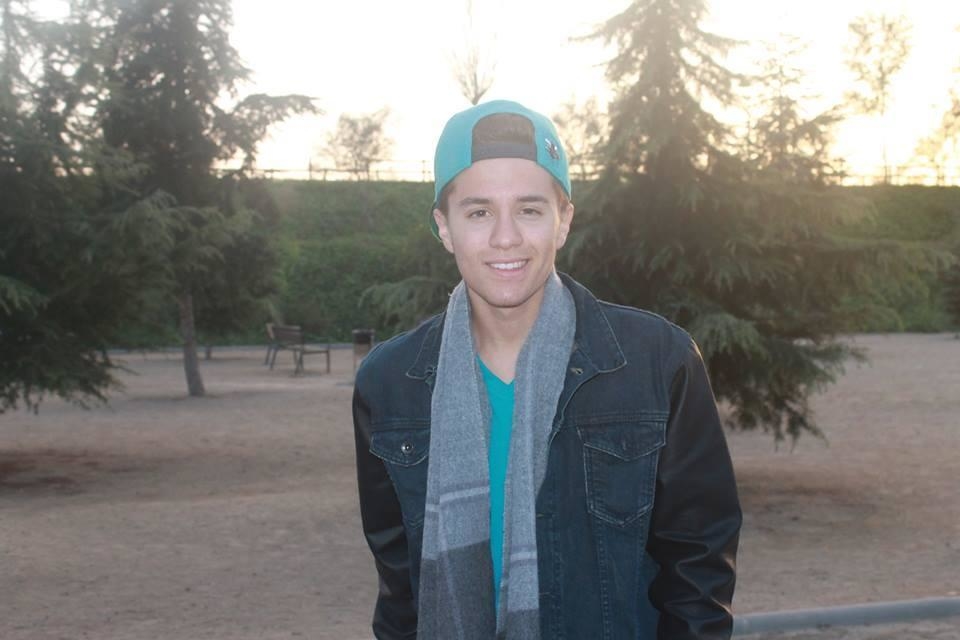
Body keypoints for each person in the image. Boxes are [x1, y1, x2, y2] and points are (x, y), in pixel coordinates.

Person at [353, 99, 741, 639]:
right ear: (444, 227)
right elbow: (401, 592)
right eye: (479, 212)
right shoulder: (389, 384)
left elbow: (698, 575)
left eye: (530, 210)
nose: (505, 237)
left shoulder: (658, 363)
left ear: (564, 222)